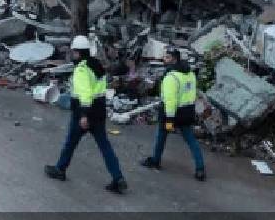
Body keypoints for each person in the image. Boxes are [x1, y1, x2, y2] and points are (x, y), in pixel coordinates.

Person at [45, 36, 128, 194]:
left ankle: (60, 169)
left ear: (78, 52)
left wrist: (84, 115)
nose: (72, 54)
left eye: (73, 52)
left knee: (70, 142)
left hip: (84, 112)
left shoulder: (82, 70)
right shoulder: (97, 65)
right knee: (105, 146)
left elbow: (85, 94)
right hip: (99, 111)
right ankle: (118, 177)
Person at [142, 49, 206, 181]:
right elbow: (192, 93)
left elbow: (170, 101)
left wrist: (170, 119)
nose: (165, 59)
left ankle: (155, 160)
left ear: (175, 59)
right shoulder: (190, 74)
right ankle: (200, 168)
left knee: (161, 136)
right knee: (191, 140)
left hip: (172, 113)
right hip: (187, 111)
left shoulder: (171, 77)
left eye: (168, 57)